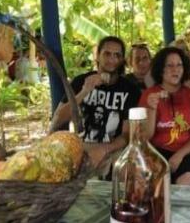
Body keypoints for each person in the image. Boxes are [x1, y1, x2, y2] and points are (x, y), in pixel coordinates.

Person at [52, 36, 141, 173]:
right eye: (107, 54)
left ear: (122, 60)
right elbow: (58, 118)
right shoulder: (81, 81)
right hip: (81, 145)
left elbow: (127, 134)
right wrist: (85, 91)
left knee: (127, 170)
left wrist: (104, 149)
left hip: (113, 147)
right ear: (97, 56)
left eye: (117, 55)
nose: (112, 59)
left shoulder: (130, 89)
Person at [140, 47, 190, 185]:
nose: (175, 69)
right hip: (156, 152)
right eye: (169, 65)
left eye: (179, 65)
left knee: (184, 183)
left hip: (187, 152)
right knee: (157, 186)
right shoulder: (149, 95)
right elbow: (145, 136)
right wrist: (151, 108)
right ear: (160, 69)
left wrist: (180, 155)